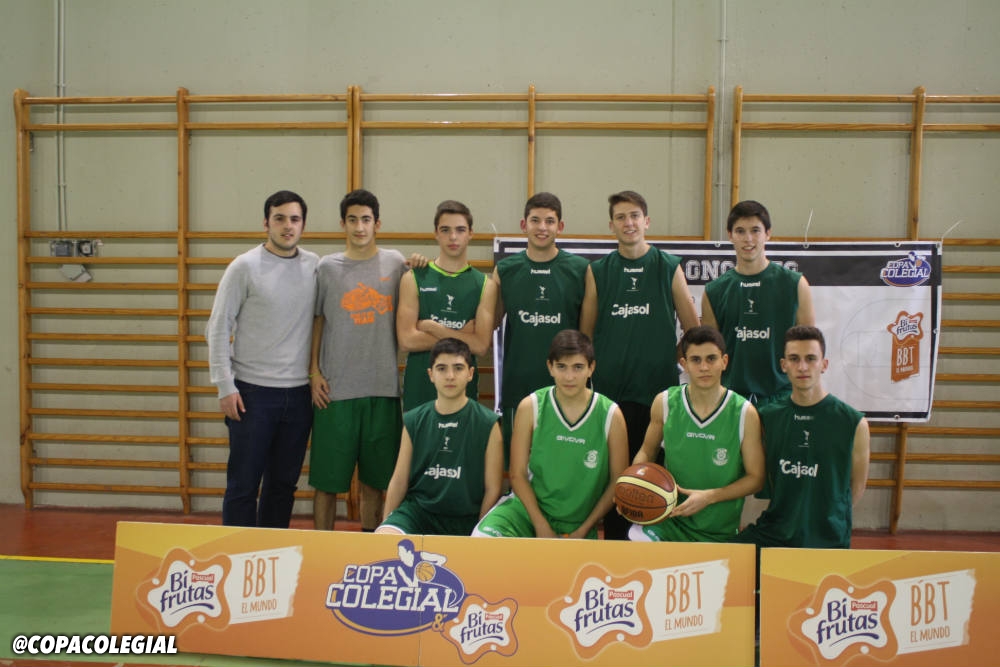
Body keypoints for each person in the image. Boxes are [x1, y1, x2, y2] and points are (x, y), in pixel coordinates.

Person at [591, 190, 701, 540]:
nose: (629, 222)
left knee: (654, 482)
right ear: (611, 225)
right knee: (616, 479)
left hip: (656, 393)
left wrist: (667, 357)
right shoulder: (598, 271)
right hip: (611, 394)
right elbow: (585, 335)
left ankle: (653, 547)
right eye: (621, 217)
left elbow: (693, 330)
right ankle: (615, 550)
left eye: (635, 215)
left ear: (647, 221)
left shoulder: (667, 266)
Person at [206, 190, 317, 528]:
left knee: (282, 487)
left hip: (298, 396)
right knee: (243, 485)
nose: (287, 226)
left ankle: (272, 553)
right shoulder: (244, 267)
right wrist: (225, 386)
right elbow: (217, 327)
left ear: (303, 225)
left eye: (294, 219)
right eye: (279, 218)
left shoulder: (315, 266)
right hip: (252, 395)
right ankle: (238, 555)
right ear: (266, 223)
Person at [309, 189, 410, 532]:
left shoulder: (395, 263)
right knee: (326, 483)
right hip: (335, 391)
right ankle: (321, 546)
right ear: (343, 224)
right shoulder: (327, 267)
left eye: (366, 219)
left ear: (377, 223)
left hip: (383, 389)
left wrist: (420, 263)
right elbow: (317, 320)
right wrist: (313, 372)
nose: (359, 227)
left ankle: (370, 542)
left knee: (375, 483)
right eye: (352, 220)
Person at [473, 330, 628, 539]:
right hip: (526, 513)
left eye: (578, 367)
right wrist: (540, 524)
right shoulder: (531, 406)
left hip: (578, 523)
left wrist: (584, 529)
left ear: (591, 368)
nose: (569, 376)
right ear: (550, 367)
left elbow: (617, 481)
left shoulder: (611, 414)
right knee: (482, 538)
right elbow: (517, 474)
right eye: (561, 367)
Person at [734, 325, 871, 549]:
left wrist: (826, 519)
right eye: (794, 359)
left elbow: (857, 487)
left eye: (811, 358)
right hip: (775, 532)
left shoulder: (853, 423)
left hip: (826, 540)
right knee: (723, 561)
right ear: (783, 365)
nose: (802, 367)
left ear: (824, 364)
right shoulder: (767, 417)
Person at [629, 325, 765, 543]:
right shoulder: (665, 402)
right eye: (695, 360)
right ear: (684, 364)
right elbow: (647, 451)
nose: (704, 367)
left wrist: (710, 497)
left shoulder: (744, 413)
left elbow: (756, 478)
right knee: (636, 540)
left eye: (711, 359)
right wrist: (633, 482)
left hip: (719, 530)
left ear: (724, 361)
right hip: (669, 521)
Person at [493, 192, 596, 457]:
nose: (542, 227)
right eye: (535, 220)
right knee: (518, 465)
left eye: (549, 221)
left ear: (560, 226)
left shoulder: (580, 269)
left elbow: (586, 338)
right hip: (518, 386)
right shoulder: (505, 270)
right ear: (523, 224)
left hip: (567, 387)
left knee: (564, 463)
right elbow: (488, 324)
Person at [377, 338, 504, 536]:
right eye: (442, 368)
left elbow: (493, 488)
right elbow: (399, 480)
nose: (450, 376)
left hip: (467, 518)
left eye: (458, 368)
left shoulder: (488, 423)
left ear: (470, 374)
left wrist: (477, 531)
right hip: (419, 513)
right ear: (431, 375)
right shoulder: (414, 419)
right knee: (386, 536)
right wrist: (387, 521)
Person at [701, 200, 815, 407]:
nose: (748, 239)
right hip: (730, 401)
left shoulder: (795, 285)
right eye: (740, 231)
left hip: (782, 399)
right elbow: (709, 354)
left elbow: (808, 350)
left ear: (767, 234)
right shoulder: (714, 291)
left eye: (755, 230)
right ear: (730, 235)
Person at [397, 200, 496, 412]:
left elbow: (480, 345)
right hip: (420, 391)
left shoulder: (485, 285)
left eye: (460, 230)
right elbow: (406, 340)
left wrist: (433, 328)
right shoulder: (413, 278)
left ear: (470, 233)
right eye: (445, 230)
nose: (453, 237)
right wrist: (462, 337)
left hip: (463, 396)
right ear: (436, 233)